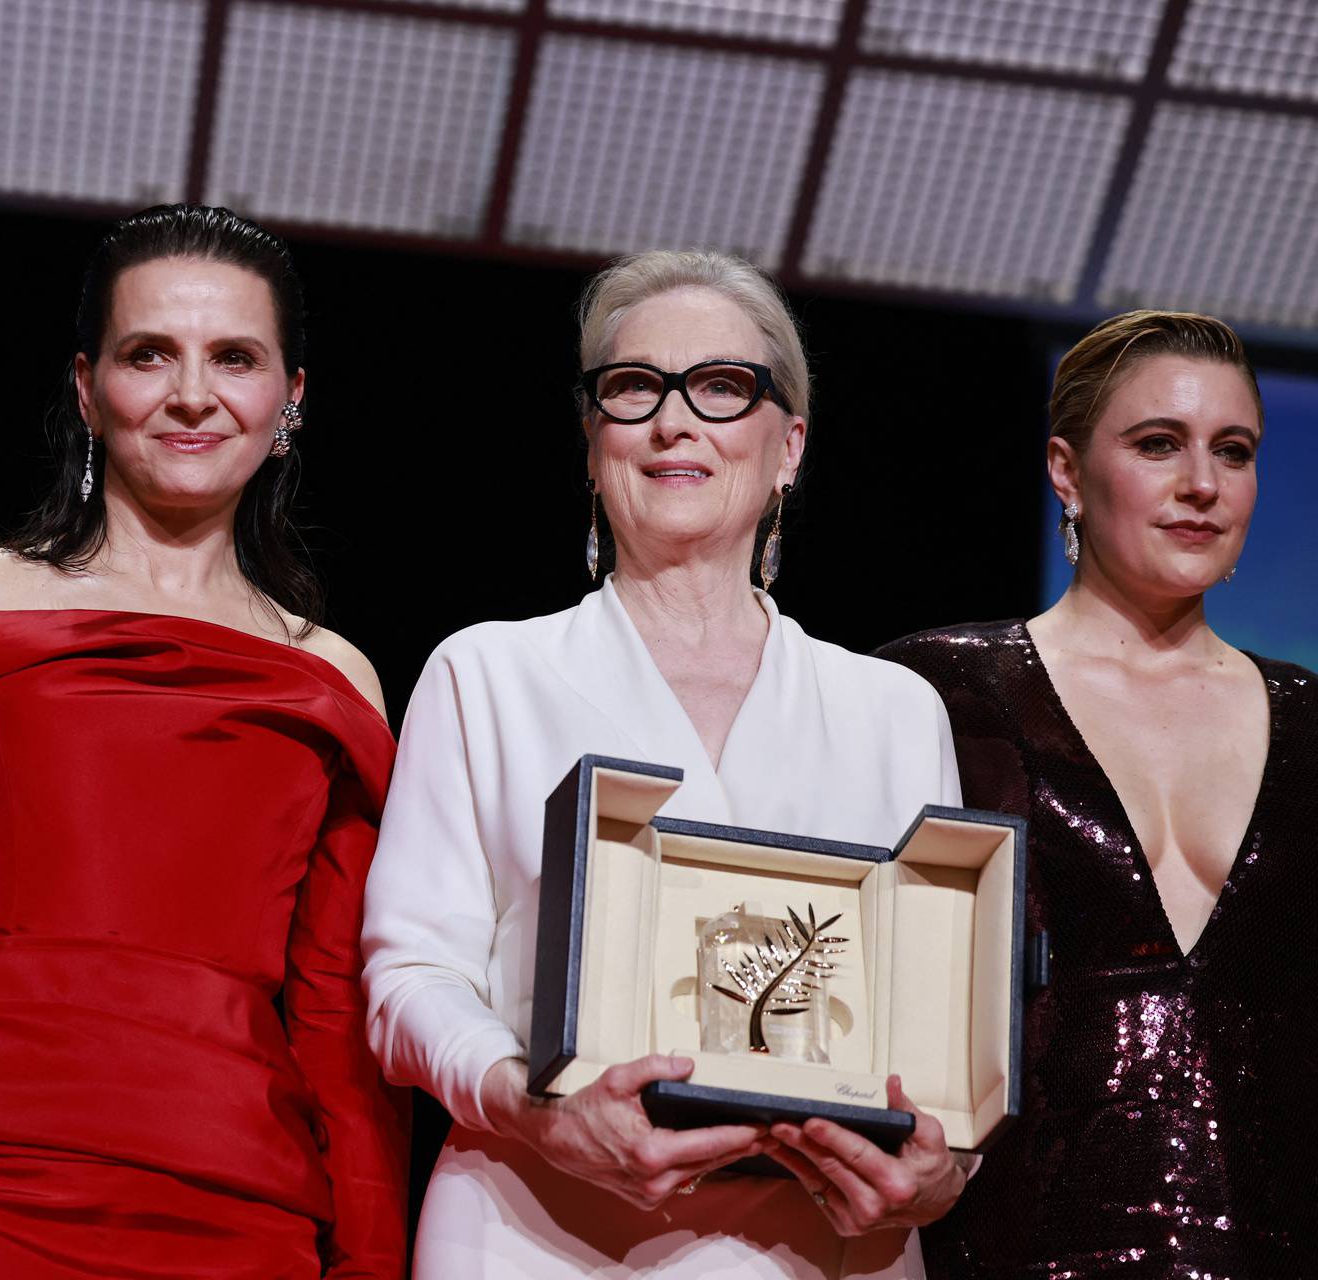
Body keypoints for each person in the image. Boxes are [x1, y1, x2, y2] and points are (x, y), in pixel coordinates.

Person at [0, 204, 408, 1279]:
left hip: (230, 1205)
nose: (193, 393)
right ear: (89, 389)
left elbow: (332, 1008)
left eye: (235, 357)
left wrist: (373, 1260)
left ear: (291, 401)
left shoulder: (334, 674)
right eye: (151, 354)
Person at [362, 249, 972, 1278]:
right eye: (634, 387)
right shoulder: (489, 673)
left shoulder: (894, 712)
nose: (672, 421)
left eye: (722, 388)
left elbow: (944, 1051)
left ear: (790, 446)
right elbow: (407, 976)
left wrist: (943, 1166)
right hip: (532, 1237)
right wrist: (536, 1108)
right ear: (594, 440)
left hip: (827, 1253)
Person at [878, 309, 1314, 1276]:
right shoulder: (938, 695)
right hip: (1007, 1248)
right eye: (1158, 444)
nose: (1202, 484)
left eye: (1232, 451)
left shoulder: (1314, 721)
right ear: (1066, 471)